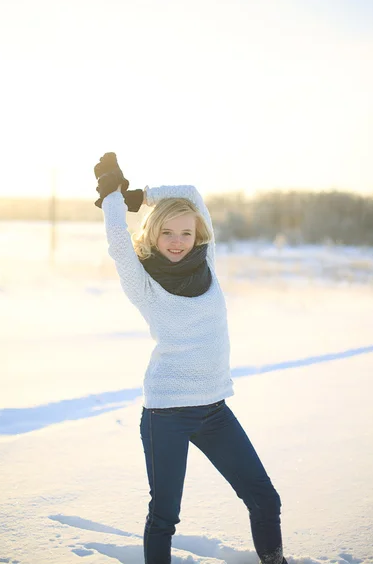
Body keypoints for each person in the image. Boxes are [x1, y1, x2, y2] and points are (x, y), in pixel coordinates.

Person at [94, 153, 289, 564]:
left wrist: (142, 195)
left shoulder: (209, 265)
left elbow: (193, 195)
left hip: (215, 409)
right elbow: (116, 240)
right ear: (152, 236)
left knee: (264, 498)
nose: (178, 240)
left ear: (198, 233)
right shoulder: (143, 282)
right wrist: (112, 196)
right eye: (167, 232)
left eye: (185, 232)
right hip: (167, 412)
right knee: (165, 516)